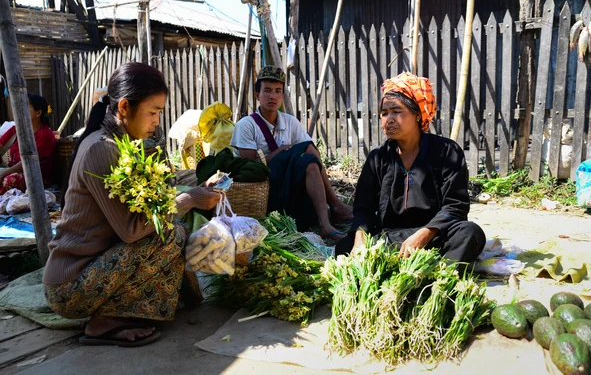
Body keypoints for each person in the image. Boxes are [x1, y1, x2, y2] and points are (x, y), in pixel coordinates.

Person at [43, 62, 221, 347]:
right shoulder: (102, 148)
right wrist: (190, 199)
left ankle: (136, 309)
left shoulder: (123, 143)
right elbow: (130, 231)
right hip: (71, 287)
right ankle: (104, 322)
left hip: (98, 269)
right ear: (124, 107)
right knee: (170, 234)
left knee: (171, 229)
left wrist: (196, 191)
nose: (156, 122)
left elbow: (153, 204)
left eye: (158, 113)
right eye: (153, 112)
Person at [335, 72, 485, 262]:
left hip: (434, 234)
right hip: (390, 237)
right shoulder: (377, 158)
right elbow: (363, 209)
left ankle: (437, 276)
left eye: (396, 111)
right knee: (344, 246)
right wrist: (360, 240)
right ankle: (417, 264)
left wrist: (423, 235)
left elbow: (456, 206)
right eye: (384, 113)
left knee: (470, 233)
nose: (388, 119)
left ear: (417, 114)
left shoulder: (447, 152)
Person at [231, 66, 353, 239]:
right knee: (307, 149)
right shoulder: (246, 125)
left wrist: (289, 154)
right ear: (257, 95)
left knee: (310, 161)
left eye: (277, 91)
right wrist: (280, 152)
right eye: (267, 91)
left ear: (282, 96)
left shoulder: (290, 122)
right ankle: (335, 204)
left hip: (289, 184)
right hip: (264, 186)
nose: (272, 96)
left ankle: (325, 224)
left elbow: (310, 152)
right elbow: (248, 167)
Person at [0, 93, 57, 194]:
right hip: (11, 170)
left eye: (25, 106)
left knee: (10, 180)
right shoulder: (16, 129)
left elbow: (28, 162)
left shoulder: (45, 135)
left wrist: (4, 173)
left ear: (38, 113)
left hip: (34, 177)